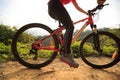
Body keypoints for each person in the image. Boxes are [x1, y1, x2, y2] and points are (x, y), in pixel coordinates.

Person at [48, 0, 106, 68]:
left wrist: (87, 13)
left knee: (69, 24)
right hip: (55, 5)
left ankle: (61, 38)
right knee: (70, 26)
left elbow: (77, 7)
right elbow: (99, 1)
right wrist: (100, 2)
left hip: (53, 7)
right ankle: (66, 55)